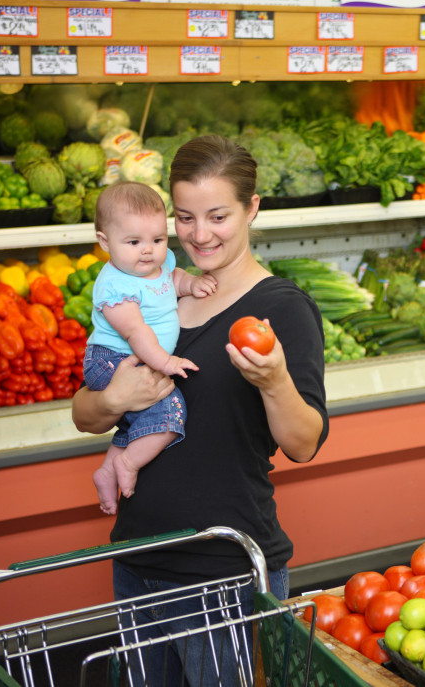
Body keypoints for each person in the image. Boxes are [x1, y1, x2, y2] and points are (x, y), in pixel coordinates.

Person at [71, 134, 328, 685]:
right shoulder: (147, 289)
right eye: (184, 218)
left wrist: (276, 379)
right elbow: (84, 414)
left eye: (217, 216)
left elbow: (304, 443)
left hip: (225, 571)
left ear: (252, 207)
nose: (199, 235)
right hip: (139, 557)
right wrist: (113, 399)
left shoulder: (281, 309)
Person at [86, 181, 217, 515]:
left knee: (136, 422)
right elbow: (135, 331)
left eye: (158, 240)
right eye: (133, 242)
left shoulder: (154, 268)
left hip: (138, 356)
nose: (148, 250)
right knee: (169, 411)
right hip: (114, 359)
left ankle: (106, 471)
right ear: (105, 242)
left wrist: (191, 284)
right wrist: (165, 361)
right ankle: (128, 463)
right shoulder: (115, 285)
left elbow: (170, 282)